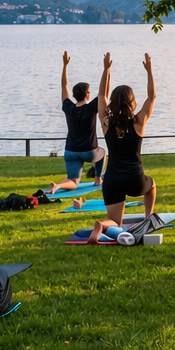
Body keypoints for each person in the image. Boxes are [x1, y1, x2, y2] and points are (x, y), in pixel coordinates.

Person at [85, 52, 157, 244]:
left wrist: (106, 70)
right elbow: (152, 96)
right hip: (135, 181)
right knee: (152, 184)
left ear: (113, 103)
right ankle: (148, 217)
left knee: (115, 221)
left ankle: (102, 225)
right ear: (132, 102)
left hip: (112, 180)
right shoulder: (139, 121)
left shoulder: (106, 122)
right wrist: (149, 71)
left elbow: (101, 95)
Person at [51, 50, 107, 194]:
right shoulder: (91, 108)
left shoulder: (68, 107)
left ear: (74, 96)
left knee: (74, 181)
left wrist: (65, 66)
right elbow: (103, 94)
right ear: (87, 95)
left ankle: (57, 186)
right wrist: (106, 70)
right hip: (90, 152)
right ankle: (97, 178)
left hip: (70, 151)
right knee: (103, 152)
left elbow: (64, 87)